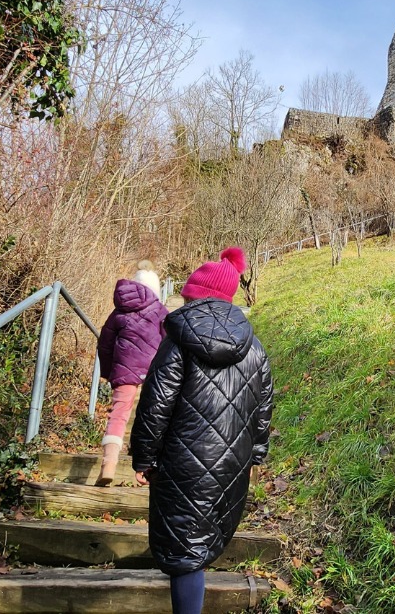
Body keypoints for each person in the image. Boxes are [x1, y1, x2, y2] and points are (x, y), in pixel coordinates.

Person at [130, 247, 273, 614]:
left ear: (194, 295)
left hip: (182, 462)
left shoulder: (178, 341)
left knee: (185, 547)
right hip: (231, 462)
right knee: (202, 537)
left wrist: (144, 457)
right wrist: (254, 456)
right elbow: (263, 408)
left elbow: (156, 402)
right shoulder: (254, 348)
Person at [95, 262, 168, 486]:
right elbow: (168, 343)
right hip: (153, 371)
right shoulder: (160, 311)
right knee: (153, 415)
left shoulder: (118, 312)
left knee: (118, 414)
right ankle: (147, 465)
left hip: (124, 371)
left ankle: (109, 464)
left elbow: (104, 346)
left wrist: (109, 373)